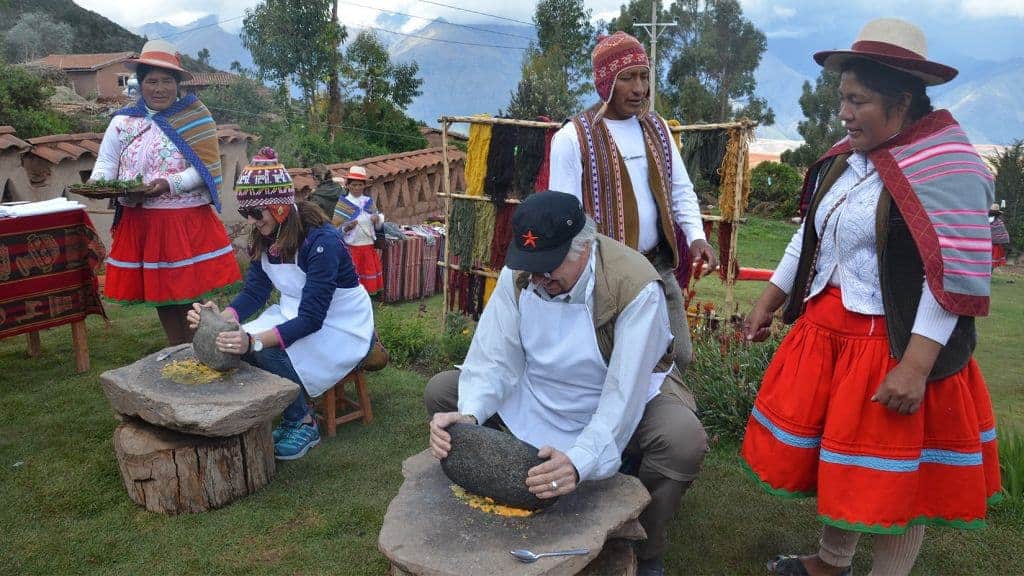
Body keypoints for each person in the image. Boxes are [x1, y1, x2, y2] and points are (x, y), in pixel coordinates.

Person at [740, 19, 1001, 576]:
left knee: (899, 476)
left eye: (857, 101)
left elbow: (950, 274)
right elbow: (809, 232)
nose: (844, 112)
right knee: (844, 462)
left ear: (901, 101)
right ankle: (831, 563)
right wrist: (772, 296)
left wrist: (914, 366)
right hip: (833, 334)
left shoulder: (947, 168)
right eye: (842, 98)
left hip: (897, 342)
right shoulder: (851, 156)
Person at [425, 191, 707, 576]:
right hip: (541, 386)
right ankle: (510, 476)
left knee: (681, 439)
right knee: (444, 392)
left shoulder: (634, 285)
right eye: (532, 267)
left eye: (549, 267)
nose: (538, 279)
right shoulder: (523, 271)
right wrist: (469, 415)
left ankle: (644, 546)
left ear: (584, 247)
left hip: (620, 391)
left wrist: (580, 461)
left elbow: (623, 394)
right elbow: (494, 356)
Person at [187, 147, 374, 460]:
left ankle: (302, 419)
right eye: (246, 214)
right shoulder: (265, 236)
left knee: (265, 348)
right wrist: (223, 318)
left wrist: (254, 341)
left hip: (341, 323)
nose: (251, 221)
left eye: (255, 214)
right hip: (295, 311)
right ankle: (287, 402)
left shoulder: (321, 241)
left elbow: (312, 318)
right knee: (239, 340)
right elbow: (255, 293)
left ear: (278, 208)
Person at [548, 31, 718, 371]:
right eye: (627, 78)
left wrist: (696, 235)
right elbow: (564, 219)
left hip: (658, 269)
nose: (639, 88)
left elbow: (681, 189)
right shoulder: (573, 138)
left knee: (678, 356)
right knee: (616, 364)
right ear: (605, 82)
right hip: (607, 277)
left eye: (644, 76)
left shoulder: (657, 128)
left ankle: (663, 419)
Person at [91, 39, 241, 345]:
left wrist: (167, 184)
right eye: (152, 81)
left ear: (178, 84)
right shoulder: (123, 121)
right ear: (140, 83)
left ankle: (204, 349)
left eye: (167, 81)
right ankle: (179, 349)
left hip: (181, 222)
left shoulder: (195, 119)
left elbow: (205, 170)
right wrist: (100, 184)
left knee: (186, 295)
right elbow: (107, 160)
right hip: (141, 221)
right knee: (162, 295)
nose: (159, 88)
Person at [334, 165, 384, 295]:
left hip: (367, 246)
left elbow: (379, 224)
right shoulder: (344, 204)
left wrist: (376, 219)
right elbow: (336, 229)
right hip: (352, 248)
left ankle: (366, 302)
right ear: (348, 185)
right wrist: (347, 227)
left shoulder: (368, 202)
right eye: (354, 185)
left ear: (364, 186)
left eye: (360, 185)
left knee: (367, 277)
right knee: (352, 278)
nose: (357, 188)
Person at [989, 203, 1010, 268]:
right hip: (985, 245)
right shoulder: (984, 220)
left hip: (995, 247)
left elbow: (1003, 236)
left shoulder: (999, 222)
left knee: (991, 264)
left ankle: (988, 275)